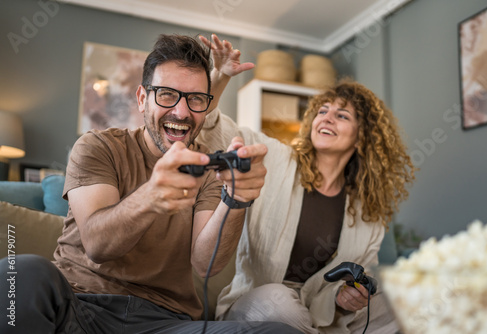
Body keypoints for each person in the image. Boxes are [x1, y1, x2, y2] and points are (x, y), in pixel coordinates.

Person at [0, 34, 302, 334]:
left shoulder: (208, 168)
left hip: (164, 322)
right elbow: (97, 245)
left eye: (195, 99)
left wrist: (235, 200)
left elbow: (205, 265)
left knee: (280, 331)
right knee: (19, 272)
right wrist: (151, 197)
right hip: (79, 307)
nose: (181, 113)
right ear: (143, 98)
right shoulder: (99, 146)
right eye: (167, 94)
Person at [196, 34, 416, 334]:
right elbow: (209, 129)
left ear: (362, 136)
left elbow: (354, 279)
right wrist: (219, 77)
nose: (327, 118)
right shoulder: (273, 157)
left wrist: (346, 297)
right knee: (279, 301)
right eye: (322, 111)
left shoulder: (369, 212)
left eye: (341, 115)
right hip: (260, 303)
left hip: (321, 313)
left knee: (397, 301)